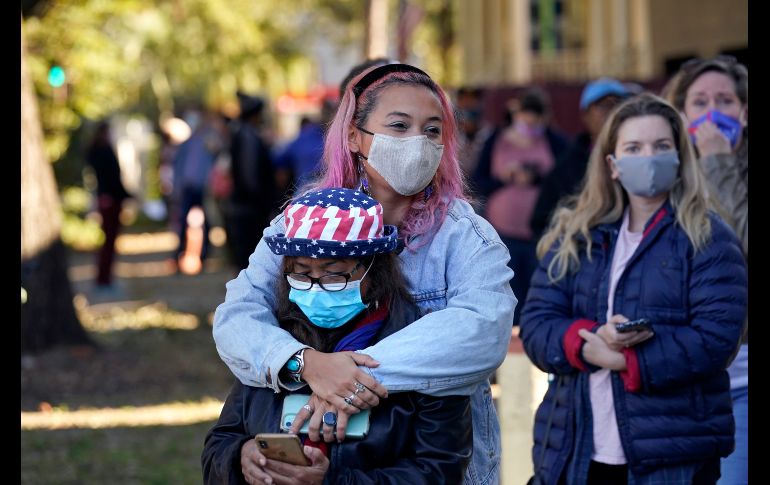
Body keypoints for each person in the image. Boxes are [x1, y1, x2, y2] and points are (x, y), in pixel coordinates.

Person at [212, 62, 516, 485]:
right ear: (354, 136)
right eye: (398, 125)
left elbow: (483, 331)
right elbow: (237, 317)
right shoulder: (300, 221)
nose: (418, 142)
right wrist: (304, 364)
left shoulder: (465, 235)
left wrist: (346, 376)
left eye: (432, 130)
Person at [519, 93, 747, 484]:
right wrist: (587, 343)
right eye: (634, 148)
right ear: (612, 164)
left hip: (672, 458)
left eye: (661, 147)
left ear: (679, 157)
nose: (648, 157)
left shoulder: (709, 238)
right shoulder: (576, 236)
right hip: (574, 451)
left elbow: (716, 339)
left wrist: (629, 361)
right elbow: (538, 324)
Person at [202, 188, 473, 484]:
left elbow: (440, 469)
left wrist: (332, 481)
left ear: (374, 269)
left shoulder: (424, 347)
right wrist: (240, 456)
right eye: (302, 274)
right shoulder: (272, 338)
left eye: (334, 275)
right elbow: (220, 442)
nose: (315, 287)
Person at [663, 55, 748, 485]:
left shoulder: (733, 168)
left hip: (742, 378)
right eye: (699, 102)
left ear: (744, 112)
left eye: (725, 100)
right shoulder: (662, 177)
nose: (713, 113)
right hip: (675, 377)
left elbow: (741, 248)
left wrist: (718, 162)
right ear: (681, 114)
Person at [472, 87, 567, 325]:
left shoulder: (554, 141)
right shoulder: (496, 139)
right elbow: (477, 182)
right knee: (507, 295)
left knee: (539, 294)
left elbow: (565, 181)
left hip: (543, 235)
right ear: (515, 113)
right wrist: (505, 177)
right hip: (502, 235)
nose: (530, 124)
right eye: (525, 117)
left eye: (536, 120)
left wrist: (536, 178)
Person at [530, 77, 631, 241]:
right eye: (602, 105)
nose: (612, 111)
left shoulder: (638, 157)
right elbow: (541, 222)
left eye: (618, 104)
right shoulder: (567, 165)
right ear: (585, 115)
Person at [227, 92, 278, 270]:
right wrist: (263, 201)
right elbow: (250, 177)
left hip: (247, 205)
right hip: (251, 208)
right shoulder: (248, 137)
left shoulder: (242, 134)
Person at [86, 121, 131, 292]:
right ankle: (103, 280)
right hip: (109, 200)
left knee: (110, 242)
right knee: (108, 241)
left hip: (112, 199)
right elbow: (109, 178)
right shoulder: (100, 152)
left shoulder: (103, 150)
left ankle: (105, 278)